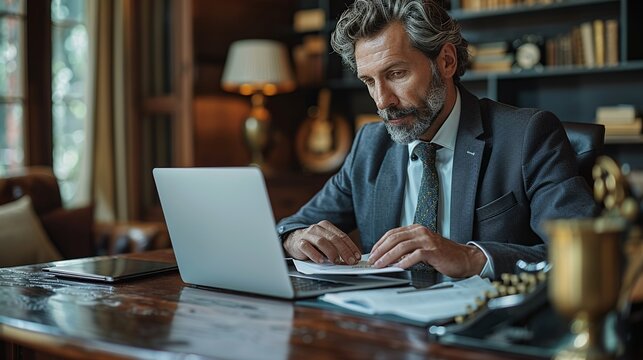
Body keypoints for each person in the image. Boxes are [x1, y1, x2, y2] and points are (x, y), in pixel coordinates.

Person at [276, 0, 597, 279]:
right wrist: (295, 238)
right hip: (385, 329)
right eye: (369, 81)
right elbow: (295, 225)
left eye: (396, 74)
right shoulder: (370, 144)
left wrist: (471, 257)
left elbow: (583, 251)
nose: (382, 101)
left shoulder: (528, 135)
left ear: (446, 61)